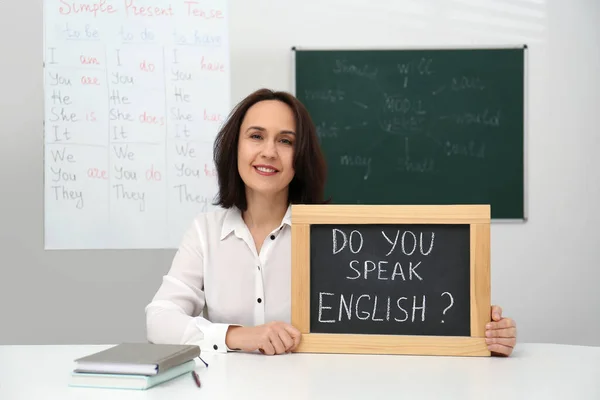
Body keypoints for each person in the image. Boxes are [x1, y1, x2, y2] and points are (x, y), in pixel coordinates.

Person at [145, 88, 517, 357]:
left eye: (286, 141)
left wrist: (484, 332)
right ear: (235, 148)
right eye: (256, 136)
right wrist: (240, 336)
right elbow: (159, 319)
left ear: (300, 156)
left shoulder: (335, 235)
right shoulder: (205, 232)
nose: (269, 152)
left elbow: (401, 312)